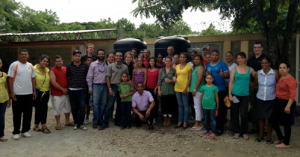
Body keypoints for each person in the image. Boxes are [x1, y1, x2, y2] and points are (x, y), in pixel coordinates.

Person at [8, 49, 37, 140]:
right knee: (17, 113)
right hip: (17, 93)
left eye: (25, 54)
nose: (24, 55)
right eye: (22, 54)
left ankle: (25, 130)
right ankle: (16, 132)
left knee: (28, 113)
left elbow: (33, 78)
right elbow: (10, 79)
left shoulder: (30, 65)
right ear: (19, 55)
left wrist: (34, 91)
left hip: (28, 93)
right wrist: (11, 92)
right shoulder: (14, 65)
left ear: (28, 56)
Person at [269, 61, 297, 148]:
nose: (282, 69)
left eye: (284, 68)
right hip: (278, 101)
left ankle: (286, 143)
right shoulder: (281, 77)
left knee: (286, 123)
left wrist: (288, 106)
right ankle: (281, 137)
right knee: (272, 120)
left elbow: (292, 95)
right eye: (280, 67)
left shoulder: (291, 80)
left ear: (288, 69)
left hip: (287, 102)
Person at [229, 52, 255, 140]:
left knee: (244, 114)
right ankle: (236, 131)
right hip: (235, 94)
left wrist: (253, 84)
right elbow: (231, 82)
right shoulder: (234, 69)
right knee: (235, 114)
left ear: (245, 59)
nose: (240, 59)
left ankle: (244, 131)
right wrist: (229, 94)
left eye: (242, 58)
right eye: (238, 58)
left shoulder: (250, 69)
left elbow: (258, 76)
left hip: (245, 95)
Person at [247, 41, 272, 134]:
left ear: (262, 48)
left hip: (263, 86)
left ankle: (264, 129)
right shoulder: (250, 60)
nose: (256, 49)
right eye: (255, 47)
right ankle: (255, 127)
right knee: (253, 106)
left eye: (258, 47)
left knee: (263, 106)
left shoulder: (265, 59)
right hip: (252, 86)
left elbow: (270, 72)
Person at [254, 56, 279, 143]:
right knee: (261, 118)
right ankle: (261, 135)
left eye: (265, 63)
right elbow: (254, 83)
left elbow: (279, 84)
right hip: (260, 97)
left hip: (271, 98)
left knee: (270, 118)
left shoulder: (275, 73)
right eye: (262, 63)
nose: (264, 64)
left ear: (269, 63)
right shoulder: (258, 73)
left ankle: (269, 136)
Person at [205, 50, 229, 136]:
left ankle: (220, 128)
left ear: (218, 56)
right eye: (213, 55)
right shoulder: (208, 65)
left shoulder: (223, 64)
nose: (214, 56)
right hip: (210, 90)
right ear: (210, 56)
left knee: (220, 109)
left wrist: (224, 75)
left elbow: (227, 75)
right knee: (212, 107)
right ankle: (213, 127)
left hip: (220, 89)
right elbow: (206, 76)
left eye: (216, 55)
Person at [104, 52, 129, 130]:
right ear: (115, 57)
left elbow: (127, 78)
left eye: (120, 56)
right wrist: (109, 88)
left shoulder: (125, 67)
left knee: (120, 105)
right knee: (109, 105)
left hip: (122, 87)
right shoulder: (110, 66)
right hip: (113, 87)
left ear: (122, 57)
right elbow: (107, 77)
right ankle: (105, 122)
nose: (118, 57)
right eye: (117, 56)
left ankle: (117, 121)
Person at [67, 50, 89, 130]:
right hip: (72, 89)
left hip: (82, 89)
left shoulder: (85, 65)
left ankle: (81, 123)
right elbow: (68, 77)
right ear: (73, 57)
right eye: (76, 55)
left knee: (82, 106)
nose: (77, 57)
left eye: (79, 56)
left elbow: (87, 76)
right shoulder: (69, 66)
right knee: (74, 107)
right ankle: (76, 122)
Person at [49, 55, 73, 130]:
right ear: (54, 62)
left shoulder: (66, 69)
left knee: (67, 107)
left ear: (62, 61)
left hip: (66, 92)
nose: (59, 63)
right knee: (57, 108)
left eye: (60, 61)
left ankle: (67, 121)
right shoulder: (52, 70)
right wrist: (62, 89)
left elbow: (70, 79)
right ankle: (58, 124)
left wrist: (68, 89)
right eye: (57, 61)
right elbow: (53, 82)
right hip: (57, 93)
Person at [86, 49, 108, 129]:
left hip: (105, 86)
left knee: (102, 105)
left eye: (102, 54)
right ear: (97, 55)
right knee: (95, 105)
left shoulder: (107, 64)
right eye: (100, 54)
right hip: (96, 86)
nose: (101, 55)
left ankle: (100, 120)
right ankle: (95, 121)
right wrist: (90, 88)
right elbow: (89, 77)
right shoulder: (93, 64)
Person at [33, 55, 51, 134]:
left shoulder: (47, 70)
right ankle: (43, 126)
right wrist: (33, 91)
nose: (45, 63)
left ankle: (36, 125)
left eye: (47, 62)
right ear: (40, 61)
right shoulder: (33, 69)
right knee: (41, 109)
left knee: (41, 108)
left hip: (46, 92)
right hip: (37, 92)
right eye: (44, 61)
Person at [174, 53, 192, 129]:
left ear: (186, 58)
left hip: (185, 89)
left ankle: (185, 122)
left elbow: (189, 78)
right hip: (177, 88)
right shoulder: (177, 66)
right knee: (180, 105)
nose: (182, 58)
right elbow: (175, 76)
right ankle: (180, 121)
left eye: (183, 57)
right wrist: (173, 80)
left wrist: (186, 88)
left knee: (185, 106)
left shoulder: (188, 66)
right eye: (180, 57)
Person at [158, 57, 176, 125]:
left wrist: (171, 80)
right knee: (164, 105)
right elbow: (159, 81)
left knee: (170, 105)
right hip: (163, 90)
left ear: (171, 62)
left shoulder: (173, 70)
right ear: (164, 62)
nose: (168, 62)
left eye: (169, 61)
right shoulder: (161, 70)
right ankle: (165, 119)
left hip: (171, 90)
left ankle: (169, 119)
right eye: (166, 61)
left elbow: (175, 80)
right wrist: (159, 91)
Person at [200, 73, 219, 138]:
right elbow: (202, 96)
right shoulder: (203, 87)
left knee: (213, 119)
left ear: (213, 79)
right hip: (205, 105)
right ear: (205, 79)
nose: (209, 79)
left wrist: (217, 105)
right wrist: (202, 103)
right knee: (206, 118)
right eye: (208, 78)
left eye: (210, 78)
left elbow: (216, 97)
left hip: (212, 106)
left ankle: (213, 132)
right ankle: (207, 129)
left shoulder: (215, 87)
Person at [190, 54, 205, 130]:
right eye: (195, 59)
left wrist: (195, 89)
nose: (196, 60)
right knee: (199, 106)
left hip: (198, 90)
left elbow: (199, 79)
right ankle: (200, 122)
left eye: (197, 59)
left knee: (197, 107)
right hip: (196, 90)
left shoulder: (200, 68)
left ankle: (197, 123)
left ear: (201, 61)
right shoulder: (196, 68)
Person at [224, 51, 237, 125]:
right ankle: (224, 118)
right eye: (227, 56)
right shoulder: (222, 64)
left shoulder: (235, 65)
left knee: (233, 103)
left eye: (230, 56)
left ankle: (232, 120)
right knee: (224, 103)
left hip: (233, 87)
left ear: (232, 57)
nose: (228, 57)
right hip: (224, 86)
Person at [0, 58, 11, 142]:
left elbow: (6, 87)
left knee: (1, 117)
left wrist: (8, 99)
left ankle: (1, 135)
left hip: (3, 99)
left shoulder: (4, 74)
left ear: (1, 64)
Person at [84, 56, 93, 125]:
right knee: (85, 104)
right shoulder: (83, 68)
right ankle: (84, 117)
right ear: (85, 61)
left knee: (89, 104)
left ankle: (88, 117)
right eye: (88, 60)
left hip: (93, 87)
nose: (89, 62)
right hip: (84, 87)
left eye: (91, 60)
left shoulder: (94, 68)